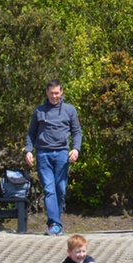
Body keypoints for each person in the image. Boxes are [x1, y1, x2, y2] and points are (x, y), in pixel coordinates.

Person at [25, 79, 82, 236]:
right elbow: (31, 132)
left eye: (57, 93)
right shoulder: (39, 110)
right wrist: (28, 150)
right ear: (47, 93)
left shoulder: (69, 110)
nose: (54, 96)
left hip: (62, 154)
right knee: (49, 190)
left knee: (60, 190)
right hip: (43, 154)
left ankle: (55, 223)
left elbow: (77, 131)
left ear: (61, 92)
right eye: (51, 93)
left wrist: (76, 149)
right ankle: (55, 225)